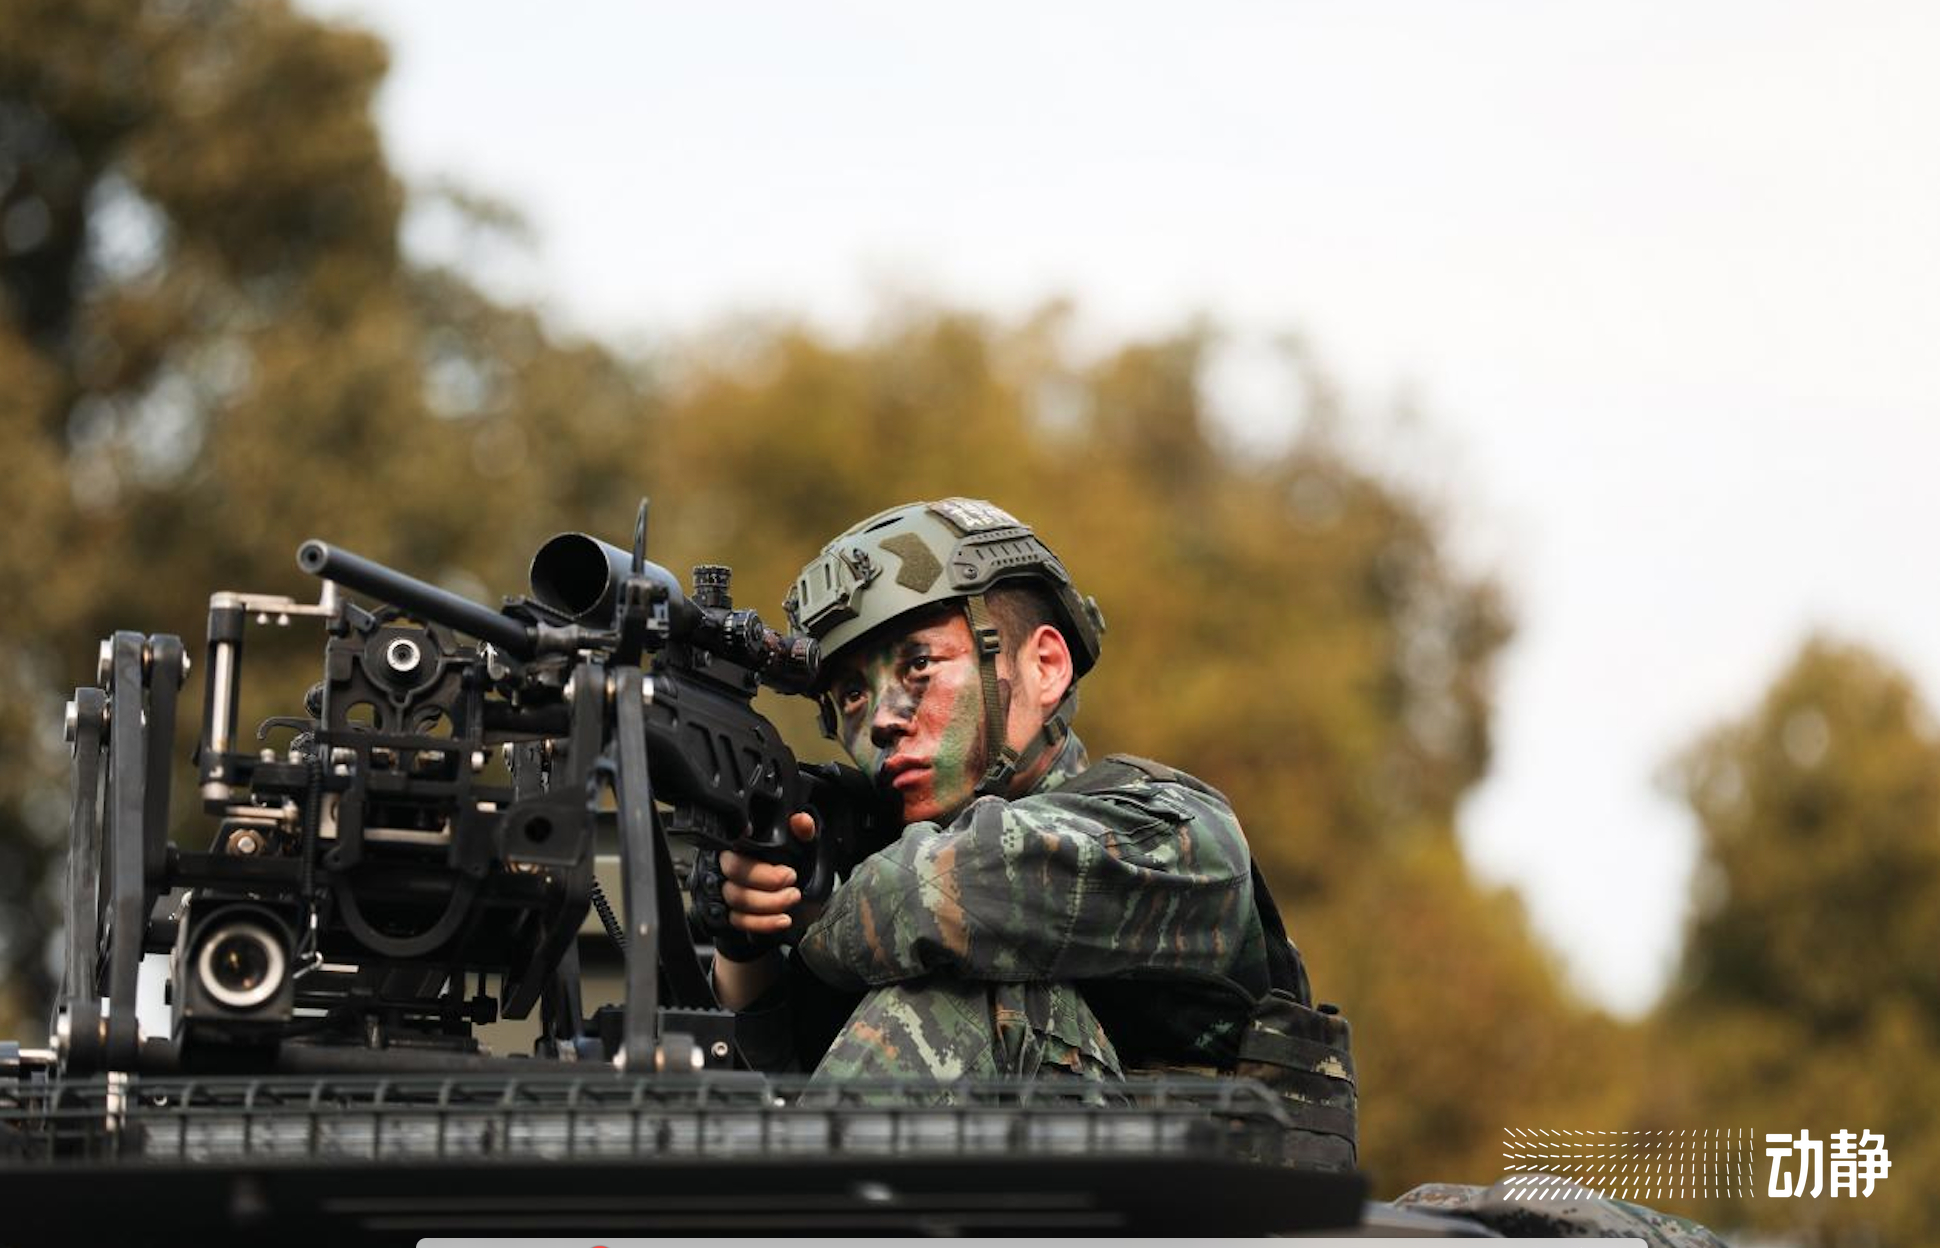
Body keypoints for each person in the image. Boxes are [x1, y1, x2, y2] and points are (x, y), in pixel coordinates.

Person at [700, 499, 1351, 1151]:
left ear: (1045, 666)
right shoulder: (879, 888)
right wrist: (748, 945)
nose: (880, 721)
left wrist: (815, 907)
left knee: (967, 986)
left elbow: (945, 893)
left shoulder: (1178, 832)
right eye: (851, 695)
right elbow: (782, 1095)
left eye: (919, 666)